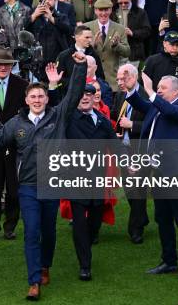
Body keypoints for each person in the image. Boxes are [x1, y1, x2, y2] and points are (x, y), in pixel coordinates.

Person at [0, 52, 87, 300]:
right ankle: (34, 282)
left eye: (41, 96)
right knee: (31, 231)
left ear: (46, 98)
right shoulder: (16, 123)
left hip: (51, 184)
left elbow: (74, 94)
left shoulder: (57, 116)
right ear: (27, 100)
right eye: (33, 96)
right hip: (27, 186)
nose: (37, 99)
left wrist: (80, 66)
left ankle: (45, 266)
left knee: (48, 231)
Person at [126, 73, 178, 275]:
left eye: (162, 88)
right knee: (162, 218)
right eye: (157, 87)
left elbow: (170, 111)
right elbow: (144, 105)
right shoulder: (159, 107)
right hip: (159, 173)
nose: (158, 91)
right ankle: (169, 261)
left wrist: (149, 91)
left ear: (176, 90)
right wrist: (133, 89)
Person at [65, 80, 123, 282]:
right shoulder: (68, 118)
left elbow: (115, 145)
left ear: (94, 98)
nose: (85, 98)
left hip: (98, 180)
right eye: (81, 95)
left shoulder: (102, 120)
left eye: (89, 95)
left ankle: (85, 246)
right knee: (80, 223)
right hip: (75, 179)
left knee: (95, 221)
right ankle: (85, 265)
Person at [0, 47, 29, 241]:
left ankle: (10, 226)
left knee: (13, 189)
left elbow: (28, 113)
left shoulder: (22, 85)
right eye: (0, 64)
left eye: (7, 64)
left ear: (12, 66)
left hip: (15, 144)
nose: (3, 67)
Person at [111, 64, 149, 244]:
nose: (119, 82)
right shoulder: (120, 95)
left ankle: (136, 230)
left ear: (133, 78)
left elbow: (153, 125)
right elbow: (117, 116)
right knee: (129, 188)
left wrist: (132, 125)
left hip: (141, 150)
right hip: (123, 148)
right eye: (118, 79)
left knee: (138, 189)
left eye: (123, 79)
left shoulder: (147, 96)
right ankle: (141, 216)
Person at [85, 0, 130, 91]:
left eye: (106, 10)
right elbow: (80, 52)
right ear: (95, 11)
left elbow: (127, 52)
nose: (103, 13)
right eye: (100, 10)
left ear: (111, 10)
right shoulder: (87, 27)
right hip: (91, 81)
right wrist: (92, 45)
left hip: (113, 81)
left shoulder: (119, 28)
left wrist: (117, 45)